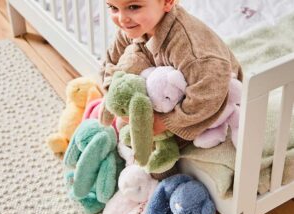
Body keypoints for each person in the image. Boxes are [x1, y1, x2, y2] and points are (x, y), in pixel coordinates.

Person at [100, 0, 243, 147]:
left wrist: (165, 122)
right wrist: (113, 93)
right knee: (122, 129)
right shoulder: (132, 28)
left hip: (213, 98)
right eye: (113, 7)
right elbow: (111, 62)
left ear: (168, 2)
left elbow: (209, 94)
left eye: (133, 7)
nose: (122, 19)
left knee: (155, 149)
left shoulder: (190, 49)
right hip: (172, 88)